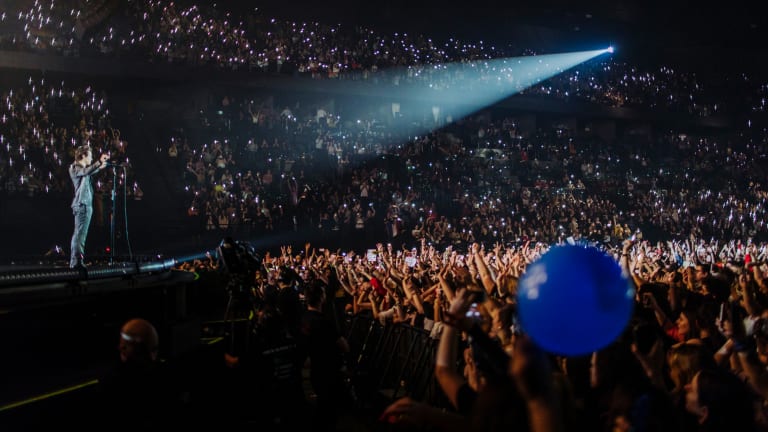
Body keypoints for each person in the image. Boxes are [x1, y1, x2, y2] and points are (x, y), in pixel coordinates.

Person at [69, 145, 109, 269]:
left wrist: (99, 167)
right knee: (80, 235)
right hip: (82, 205)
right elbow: (86, 172)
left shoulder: (81, 169)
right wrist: (99, 162)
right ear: (83, 155)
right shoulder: (75, 167)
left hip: (84, 205)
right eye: (90, 156)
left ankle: (75, 262)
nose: (91, 158)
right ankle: (76, 263)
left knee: (80, 235)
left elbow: (87, 173)